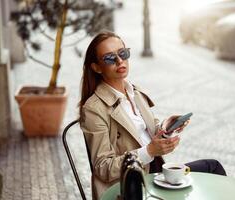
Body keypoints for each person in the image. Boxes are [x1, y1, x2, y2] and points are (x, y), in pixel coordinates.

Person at [79, 31, 226, 200]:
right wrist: (149, 151)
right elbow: (102, 167)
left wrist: (167, 129)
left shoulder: (134, 91)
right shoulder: (93, 109)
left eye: (123, 53)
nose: (120, 61)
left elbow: (148, 130)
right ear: (96, 67)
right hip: (130, 186)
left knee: (213, 167)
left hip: (155, 173)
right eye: (110, 58)